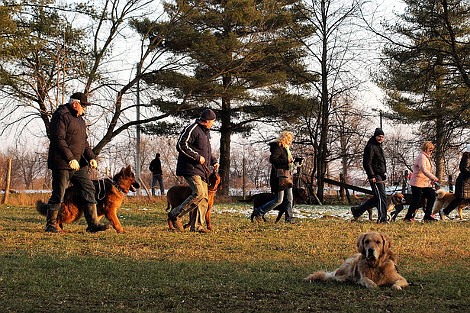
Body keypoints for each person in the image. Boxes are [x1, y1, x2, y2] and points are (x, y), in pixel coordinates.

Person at [44, 92, 109, 233]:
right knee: (59, 193)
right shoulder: (61, 115)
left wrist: (91, 157)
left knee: (89, 189)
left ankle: (93, 224)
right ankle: (51, 225)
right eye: (83, 106)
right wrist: (70, 158)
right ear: (75, 104)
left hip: (78, 164)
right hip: (62, 163)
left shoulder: (80, 120)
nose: (85, 109)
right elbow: (58, 139)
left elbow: (84, 143)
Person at [167, 109, 219, 233]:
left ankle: (197, 226)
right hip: (190, 168)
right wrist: (196, 157)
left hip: (202, 170)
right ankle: (175, 214)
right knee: (199, 193)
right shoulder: (193, 129)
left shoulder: (206, 133)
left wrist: (213, 161)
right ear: (206, 121)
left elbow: (206, 151)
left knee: (204, 198)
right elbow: (181, 145)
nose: (213, 124)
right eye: (212, 122)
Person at [252, 131, 296, 223]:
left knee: (289, 199)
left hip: (288, 177)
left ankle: (289, 219)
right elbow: (273, 159)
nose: (290, 142)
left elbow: (287, 162)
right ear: (285, 139)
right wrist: (286, 161)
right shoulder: (279, 147)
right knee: (279, 200)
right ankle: (259, 211)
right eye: (289, 139)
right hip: (280, 178)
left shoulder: (286, 149)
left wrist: (294, 163)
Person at [351, 128, 388, 223]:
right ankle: (382, 219)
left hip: (380, 175)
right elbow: (367, 163)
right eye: (379, 136)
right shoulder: (370, 147)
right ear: (375, 136)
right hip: (375, 175)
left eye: (382, 137)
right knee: (381, 197)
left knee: (377, 198)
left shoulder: (378, 147)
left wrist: (383, 174)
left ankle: (357, 211)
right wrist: (371, 176)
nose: (381, 138)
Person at [403, 141, 439, 222]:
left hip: (425, 183)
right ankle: (408, 217)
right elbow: (424, 169)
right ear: (426, 149)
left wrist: (430, 180)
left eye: (432, 150)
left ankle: (428, 216)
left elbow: (428, 170)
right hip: (417, 182)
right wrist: (433, 177)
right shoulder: (422, 157)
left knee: (431, 194)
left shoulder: (427, 157)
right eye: (430, 150)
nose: (431, 152)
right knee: (417, 200)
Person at [440, 144, 470, 219]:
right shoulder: (467, 158)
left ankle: (445, 212)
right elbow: (464, 169)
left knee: (462, 199)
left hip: (467, 183)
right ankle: (445, 212)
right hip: (463, 183)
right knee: (459, 199)